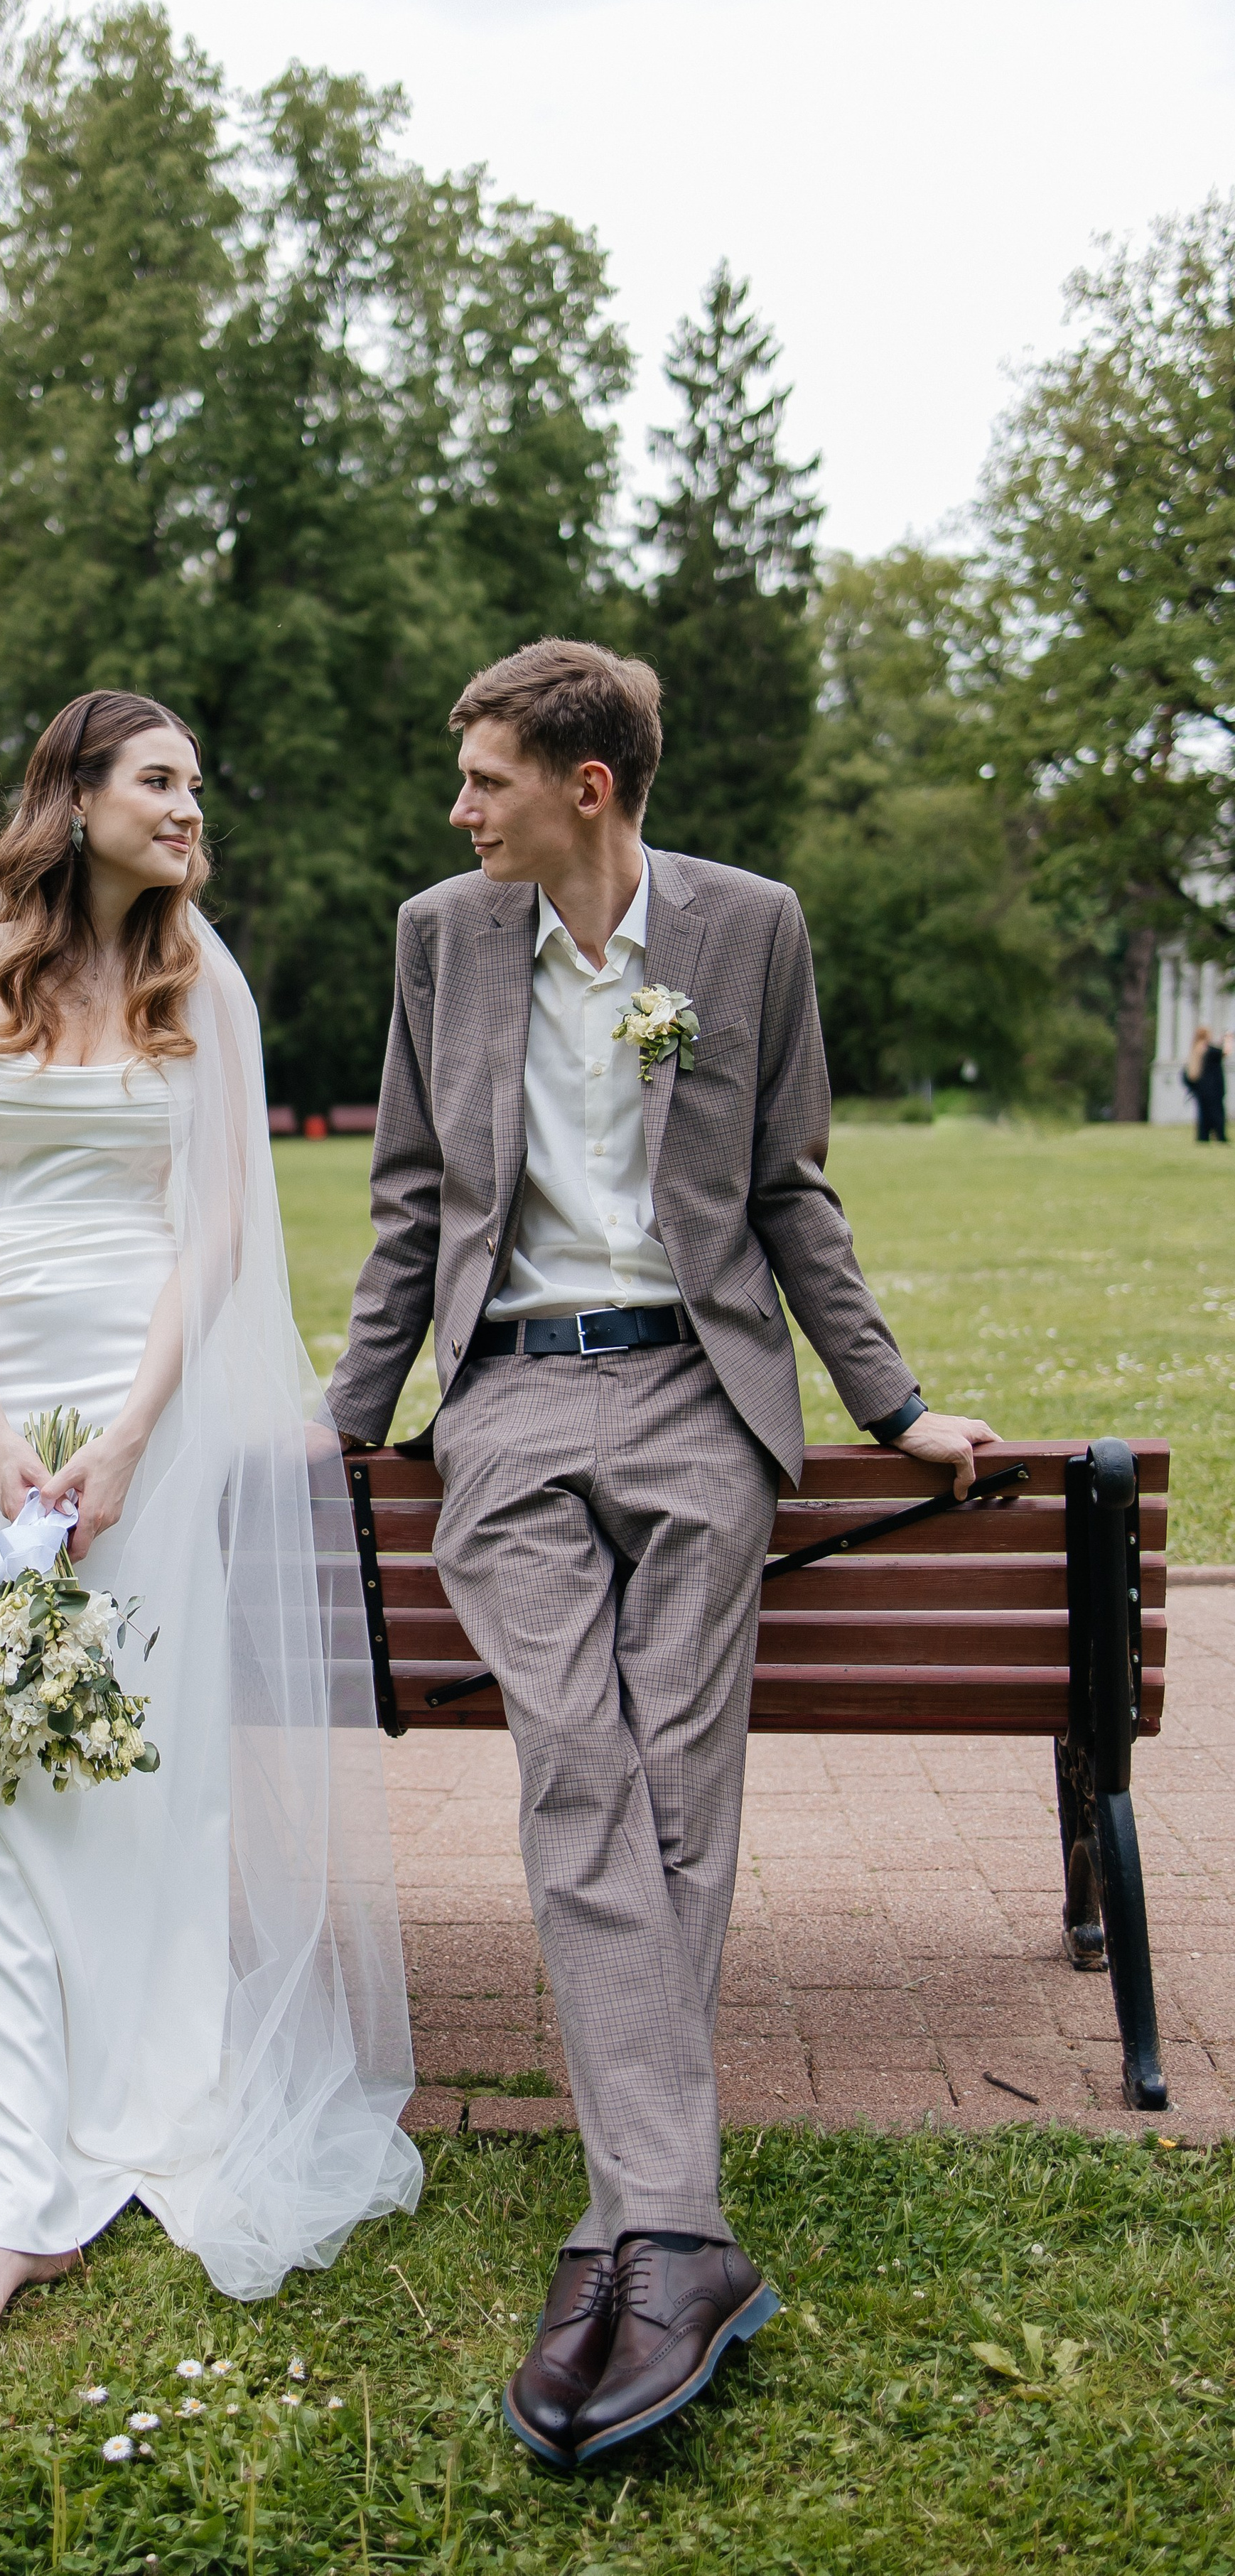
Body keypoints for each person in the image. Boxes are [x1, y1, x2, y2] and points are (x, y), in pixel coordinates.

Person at [325, 639, 998, 2472]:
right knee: (582, 1771)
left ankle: (623, 2231)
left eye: (485, 780)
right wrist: (346, 1415)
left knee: (680, 1793)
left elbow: (790, 1192)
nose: (459, 810)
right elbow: (409, 1205)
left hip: (702, 1400)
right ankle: (674, 2233)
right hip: (515, 1414)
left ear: (587, 790)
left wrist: (894, 1405)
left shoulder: (752, 931)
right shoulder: (440, 940)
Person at [0, 689, 420, 2366]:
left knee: (121, 1776)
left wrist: (120, 1440)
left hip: (143, 1426)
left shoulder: (205, 982)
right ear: (76, 792)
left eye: (193, 783)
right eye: (159, 780)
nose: (188, 807)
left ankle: (73, 2142)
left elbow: (220, 1233)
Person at [1183, 1025, 1226, 1142]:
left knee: (1204, 1114)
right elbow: (1224, 1052)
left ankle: (1203, 1136)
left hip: (1201, 1089)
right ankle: (1220, 1136)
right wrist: (1228, 1040)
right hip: (1212, 1089)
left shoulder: (1196, 1049)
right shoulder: (1209, 1050)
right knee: (1216, 1113)